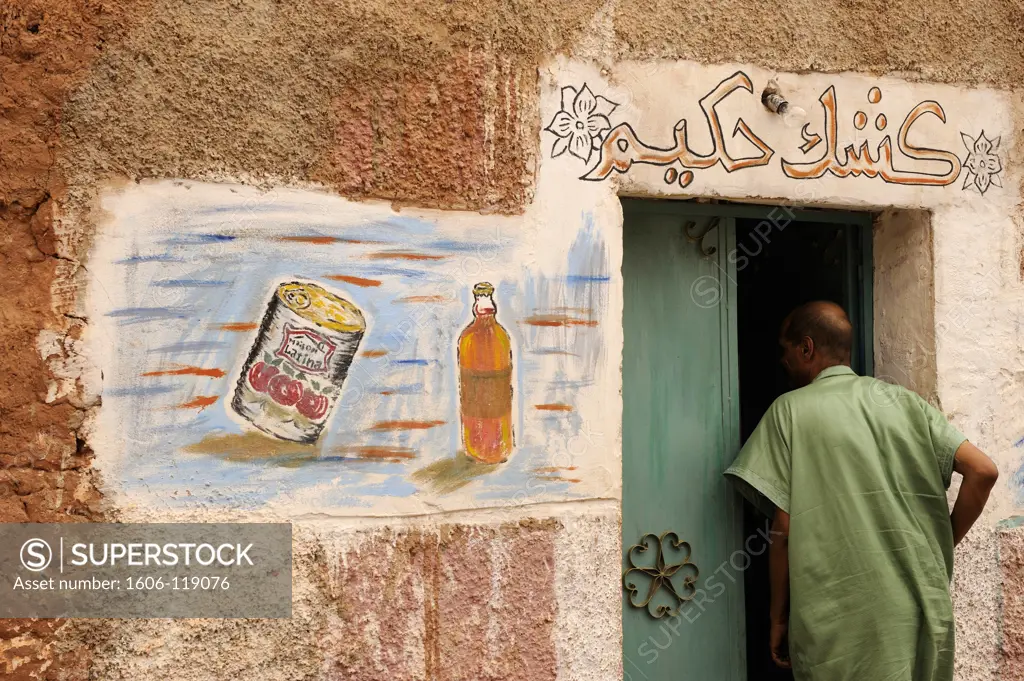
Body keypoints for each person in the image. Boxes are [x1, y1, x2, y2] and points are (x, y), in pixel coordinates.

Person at [725, 301, 998, 681]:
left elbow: (783, 530)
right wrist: (939, 546)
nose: (782, 360)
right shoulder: (904, 402)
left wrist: (777, 619)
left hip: (836, 621)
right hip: (918, 610)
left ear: (806, 348)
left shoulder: (788, 412)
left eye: (784, 350)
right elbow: (983, 471)